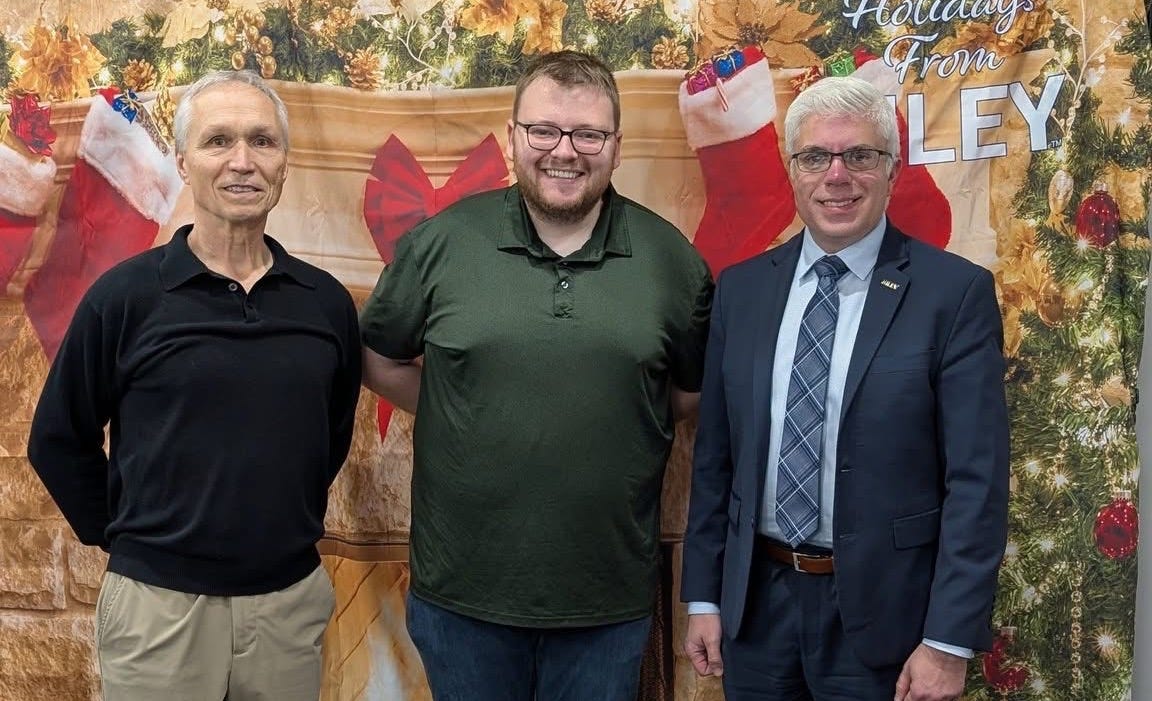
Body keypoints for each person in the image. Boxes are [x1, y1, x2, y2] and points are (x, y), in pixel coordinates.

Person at [359, 50, 713, 701]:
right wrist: (454, 404)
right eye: (544, 130)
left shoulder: (671, 261)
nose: (565, 151)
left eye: (588, 134)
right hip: (462, 598)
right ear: (514, 136)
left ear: (616, 144)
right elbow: (379, 355)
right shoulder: (442, 243)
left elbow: (688, 390)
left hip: (606, 602)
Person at [28, 69, 361, 700]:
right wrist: (133, 539)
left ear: (284, 162)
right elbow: (57, 440)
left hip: (287, 606)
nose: (243, 162)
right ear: (183, 162)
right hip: (160, 610)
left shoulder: (325, 304)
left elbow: (328, 438)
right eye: (219, 142)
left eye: (262, 141)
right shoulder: (125, 298)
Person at [681, 75, 1009, 701]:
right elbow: (715, 459)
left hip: (890, 619)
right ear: (792, 171)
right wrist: (704, 595)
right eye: (815, 157)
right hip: (755, 613)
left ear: (890, 172)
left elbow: (977, 481)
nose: (837, 176)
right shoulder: (742, 291)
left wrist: (947, 641)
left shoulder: (952, 295)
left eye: (860, 155)